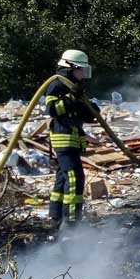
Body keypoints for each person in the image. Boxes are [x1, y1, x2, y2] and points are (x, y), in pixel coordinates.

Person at [46, 49, 96, 230]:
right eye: (80, 70)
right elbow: (52, 109)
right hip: (63, 139)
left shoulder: (74, 87)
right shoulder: (58, 84)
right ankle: (71, 223)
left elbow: (82, 113)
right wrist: (71, 96)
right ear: (70, 68)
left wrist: (91, 109)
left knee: (62, 178)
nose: (83, 74)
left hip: (73, 139)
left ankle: (55, 218)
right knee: (75, 178)